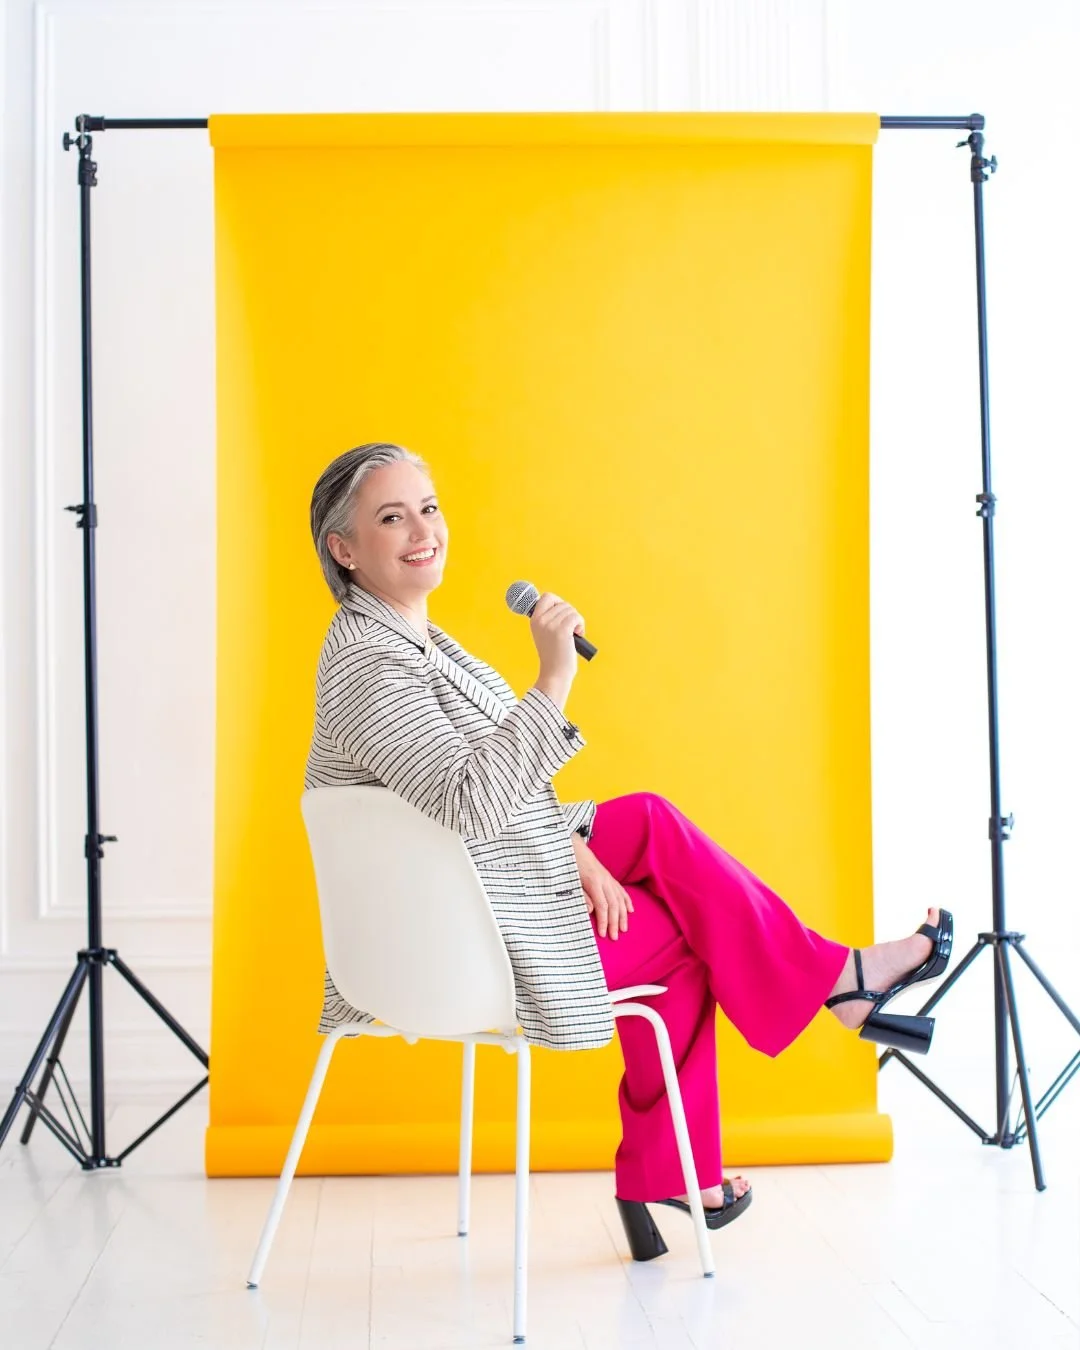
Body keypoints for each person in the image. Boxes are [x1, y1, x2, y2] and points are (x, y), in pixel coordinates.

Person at [304, 442, 953, 1259]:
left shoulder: (417, 644)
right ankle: (729, 1110)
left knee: (644, 818)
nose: (420, 530)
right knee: (686, 943)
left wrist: (575, 850)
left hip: (474, 885)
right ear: (346, 549)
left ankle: (822, 998)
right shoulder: (369, 663)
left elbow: (492, 799)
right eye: (390, 517)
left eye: (428, 508)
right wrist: (551, 681)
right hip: (450, 941)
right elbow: (469, 802)